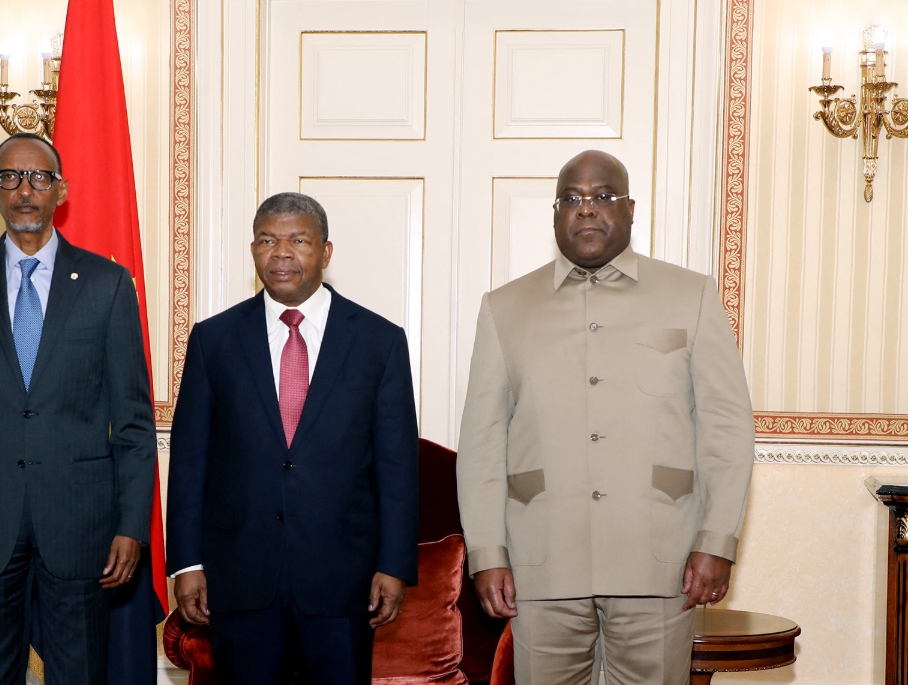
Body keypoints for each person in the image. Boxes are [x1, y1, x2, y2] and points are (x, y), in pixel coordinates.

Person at [456, 150, 754, 684]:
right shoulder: (505, 307)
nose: (587, 209)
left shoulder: (691, 296)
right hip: (540, 564)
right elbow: (481, 441)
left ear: (631, 209)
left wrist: (716, 541)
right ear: (554, 214)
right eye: (571, 198)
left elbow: (726, 431)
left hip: (662, 562)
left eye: (602, 197)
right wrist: (486, 552)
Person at [0, 132, 157, 684]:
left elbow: (135, 422)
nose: (25, 190)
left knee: (78, 674)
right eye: (11, 178)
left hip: (81, 524)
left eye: (39, 177)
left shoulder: (107, 285)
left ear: (60, 191)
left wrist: (132, 526)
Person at [166, 192, 419, 683]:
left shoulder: (379, 341)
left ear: (325, 252)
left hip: (343, 581)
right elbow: (191, 461)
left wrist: (395, 564)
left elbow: (396, 466)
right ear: (253, 250)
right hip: (238, 578)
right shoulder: (212, 340)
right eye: (267, 240)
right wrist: (187, 564)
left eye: (298, 240)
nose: (281, 253)